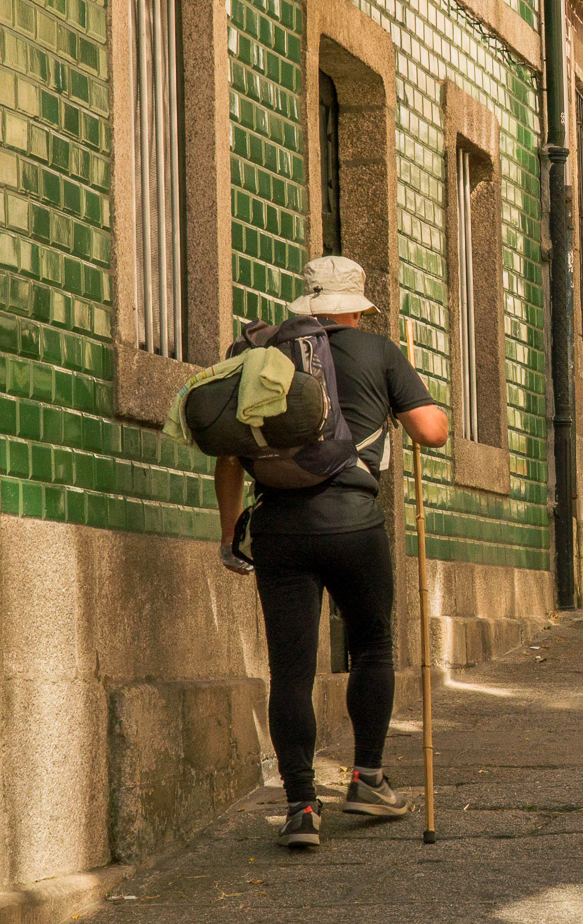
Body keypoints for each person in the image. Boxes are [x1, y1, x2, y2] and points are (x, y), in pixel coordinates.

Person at [215, 255, 449, 848]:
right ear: (355, 304)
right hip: (354, 524)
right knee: (372, 646)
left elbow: (228, 457)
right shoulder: (380, 352)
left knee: (290, 671)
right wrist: (410, 393)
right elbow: (431, 432)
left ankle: (300, 808)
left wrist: (228, 534)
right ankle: (367, 779)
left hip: (279, 531)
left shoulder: (260, 355)